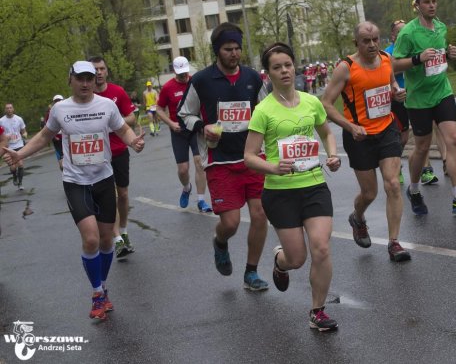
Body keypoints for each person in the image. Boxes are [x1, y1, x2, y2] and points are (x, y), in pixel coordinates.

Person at [2, 61, 145, 320]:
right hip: (75, 182)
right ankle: (97, 292)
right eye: (80, 78)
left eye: (90, 78)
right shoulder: (60, 109)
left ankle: (101, 286)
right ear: (70, 80)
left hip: (103, 179)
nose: (86, 83)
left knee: (105, 240)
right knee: (90, 239)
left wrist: (132, 140)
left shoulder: (106, 105)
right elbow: (45, 137)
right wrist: (20, 153)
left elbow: (122, 128)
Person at [244, 42, 341, 331]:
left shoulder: (310, 101)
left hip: (313, 185)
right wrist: (272, 167)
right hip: (280, 193)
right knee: (297, 258)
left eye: (288, 65)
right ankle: (280, 261)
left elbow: (326, 132)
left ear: (294, 66)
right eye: (277, 67)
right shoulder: (263, 110)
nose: (284, 71)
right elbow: (248, 157)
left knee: (321, 248)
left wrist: (333, 154)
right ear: (268, 73)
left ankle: (317, 311)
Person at [177, 23, 270, 291]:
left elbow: (266, 111)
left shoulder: (252, 78)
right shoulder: (202, 81)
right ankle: (220, 242)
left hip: (252, 158)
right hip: (219, 162)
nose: (234, 54)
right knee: (231, 223)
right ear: (217, 51)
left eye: (238, 48)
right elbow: (184, 115)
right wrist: (202, 127)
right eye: (228, 49)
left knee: (260, 214)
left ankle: (251, 272)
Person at [322, 21, 411, 262]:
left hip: (387, 129)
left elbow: (390, 81)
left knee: (392, 183)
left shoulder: (385, 59)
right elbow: (326, 103)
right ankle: (358, 217)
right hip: (359, 136)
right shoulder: (346, 68)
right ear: (356, 43)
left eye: (375, 40)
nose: (372, 45)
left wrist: (395, 91)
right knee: (369, 193)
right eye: (366, 41)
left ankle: (394, 243)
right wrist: (350, 126)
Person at [392, 0, 456, 216]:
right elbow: (393, 64)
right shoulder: (408, 33)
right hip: (419, 98)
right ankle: (413, 190)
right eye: (426, 2)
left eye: (434, 1)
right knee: (422, 147)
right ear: (417, 6)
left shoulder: (441, 26)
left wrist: (449, 53)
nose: (432, 5)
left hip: (442, 91)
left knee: (454, 138)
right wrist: (417, 59)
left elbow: (439, 56)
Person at [92, 56, 138, 259]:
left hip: (119, 150)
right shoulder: (86, 95)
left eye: (102, 68)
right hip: (98, 153)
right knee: (109, 196)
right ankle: (117, 239)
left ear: (106, 71)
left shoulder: (117, 92)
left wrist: (112, 121)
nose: (99, 72)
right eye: (95, 69)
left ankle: (124, 230)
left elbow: (132, 117)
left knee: (123, 194)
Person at [385, 19, 441, 186]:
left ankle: (426, 171)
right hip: (399, 98)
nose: (405, 33)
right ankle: (395, 167)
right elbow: (391, 71)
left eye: (406, 30)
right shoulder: (387, 54)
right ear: (393, 36)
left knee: (421, 137)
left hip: (417, 96)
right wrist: (415, 61)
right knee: (402, 138)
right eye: (400, 32)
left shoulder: (416, 46)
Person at [156, 56, 212, 213]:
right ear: (174, 71)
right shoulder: (168, 88)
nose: (183, 76)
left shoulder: (196, 82)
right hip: (178, 131)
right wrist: (171, 123)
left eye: (185, 72)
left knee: (199, 162)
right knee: (183, 169)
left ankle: (201, 200)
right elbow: (159, 109)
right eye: (180, 73)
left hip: (195, 129)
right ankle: (186, 188)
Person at [0, 103, 28, 190]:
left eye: (10, 108)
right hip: (8, 147)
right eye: (7, 108)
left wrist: (25, 135)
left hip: (19, 144)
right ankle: (14, 175)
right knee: (12, 168)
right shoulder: (1, 121)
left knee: (20, 165)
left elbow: (23, 131)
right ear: (5, 110)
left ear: (13, 109)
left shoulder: (19, 119)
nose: (9, 109)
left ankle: (20, 183)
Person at [45, 95, 65, 171]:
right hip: (57, 139)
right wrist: (53, 136)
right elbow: (48, 126)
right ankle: (64, 173)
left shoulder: (68, 110)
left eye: (59, 100)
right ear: (54, 102)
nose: (58, 102)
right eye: (56, 101)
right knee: (62, 164)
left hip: (67, 138)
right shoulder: (50, 113)